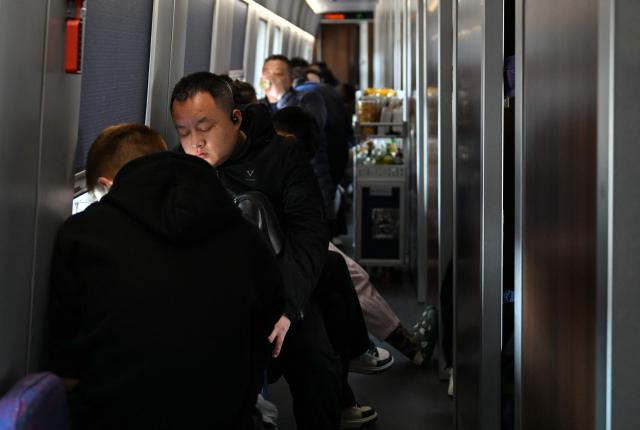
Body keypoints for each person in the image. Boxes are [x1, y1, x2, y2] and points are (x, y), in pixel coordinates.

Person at [170, 72, 386, 429]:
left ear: (235, 118)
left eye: (204, 128)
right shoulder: (183, 171)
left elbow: (308, 235)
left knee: (315, 359)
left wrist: (286, 307)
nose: (195, 143)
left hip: (287, 286)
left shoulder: (283, 156)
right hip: (224, 296)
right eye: (183, 131)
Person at [48, 124, 286, 430]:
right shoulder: (241, 232)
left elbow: (66, 362)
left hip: (114, 416)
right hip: (222, 414)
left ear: (106, 185)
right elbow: (266, 319)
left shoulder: (82, 235)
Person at [272, 107, 439, 368]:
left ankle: (379, 344)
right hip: (285, 242)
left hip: (290, 235)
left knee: (351, 276)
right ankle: (381, 345)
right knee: (351, 277)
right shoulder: (272, 161)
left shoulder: (269, 158)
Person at [259, 55, 336, 222]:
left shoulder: (309, 99)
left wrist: (281, 97)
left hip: (312, 184)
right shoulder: (258, 108)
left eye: (278, 74)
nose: (271, 78)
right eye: (266, 73)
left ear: (291, 79)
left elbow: (307, 131)